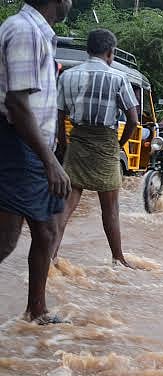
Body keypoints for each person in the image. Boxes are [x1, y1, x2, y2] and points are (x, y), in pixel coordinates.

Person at [0, 0, 73, 324]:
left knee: (47, 230)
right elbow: (16, 103)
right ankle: (37, 310)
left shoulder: (39, 34)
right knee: (5, 240)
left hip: (33, 145)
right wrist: (51, 162)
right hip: (18, 142)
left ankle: (37, 311)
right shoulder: (25, 31)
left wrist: (54, 150)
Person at [53, 28, 139, 269]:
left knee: (66, 206)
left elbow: (59, 115)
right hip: (106, 143)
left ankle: (50, 256)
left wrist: (63, 144)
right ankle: (118, 258)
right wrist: (119, 145)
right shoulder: (118, 78)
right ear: (110, 53)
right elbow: (133, 120)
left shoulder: (67, 76)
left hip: (77, 141)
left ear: (87, 50)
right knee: (110, 208)